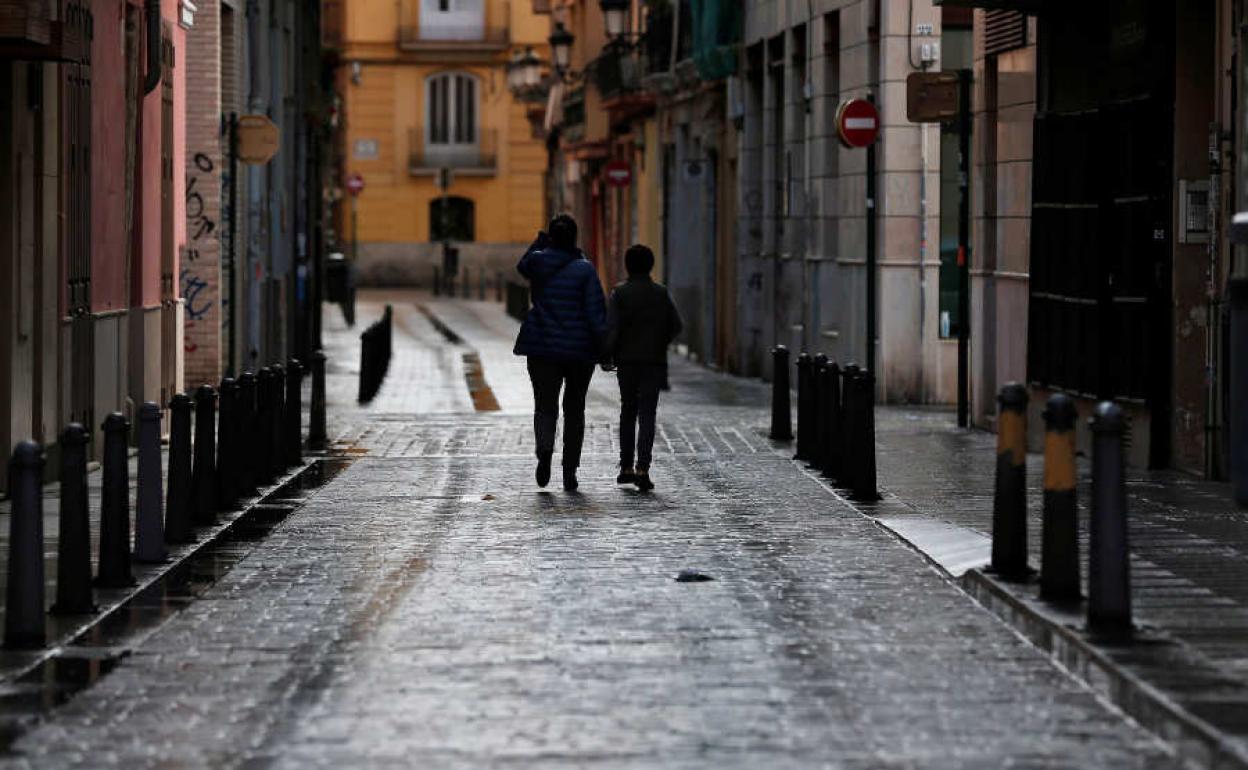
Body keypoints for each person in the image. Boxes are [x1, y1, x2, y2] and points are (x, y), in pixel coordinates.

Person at [513, 215, 607, 491]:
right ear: (575, 238)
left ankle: (544, 452)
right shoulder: (585, 269)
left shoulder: (538, 262)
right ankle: (569, 470)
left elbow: (523, 265)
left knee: (545, 406)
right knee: (575, 409)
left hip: (543, 348)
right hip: (579, 351)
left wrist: (539, 242)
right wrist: (604, 348)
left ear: (551, 238)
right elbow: (595, 313)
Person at [605, 244, 682, 492]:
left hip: (626, 362)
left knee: (628, 411)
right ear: (650, 265)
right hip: (653, 362)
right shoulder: (660, 293)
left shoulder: (620, 293)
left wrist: (607, 354)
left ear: (627, 265)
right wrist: (660, 342)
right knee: (647, 414)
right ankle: (643, 469)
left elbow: (612, 328)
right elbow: (676, 325)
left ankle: (626, 467)